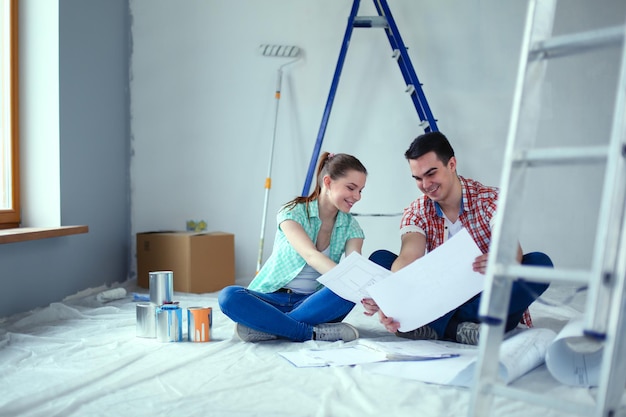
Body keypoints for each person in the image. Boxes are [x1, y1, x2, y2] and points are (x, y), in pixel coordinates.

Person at [361, 131, 552, 345]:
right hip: (437, 299)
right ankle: (459, 329)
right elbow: (408, 257)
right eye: (418, 178)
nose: (425, 184)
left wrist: (501, 258)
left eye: (431, 173)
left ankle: (441, 327)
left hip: (484, 296)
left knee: (539, 264)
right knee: (381, 260)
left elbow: (510, 248)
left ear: (452, 164)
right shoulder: (416, 211)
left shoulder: (491, 199)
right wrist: (392, 300)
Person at [219, 152, 368, 343]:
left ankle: (270, 327)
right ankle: (310, 332)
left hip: (315, 303)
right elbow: (310, 255)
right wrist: (348, 280)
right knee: (229, 296)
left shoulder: (352, 227)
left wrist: (363, 289)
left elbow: (354, 266)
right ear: (328, 182)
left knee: (348, 287)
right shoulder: (292, 212)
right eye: (351, 188)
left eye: (361, 190)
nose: (357, 196)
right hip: (273, 299)